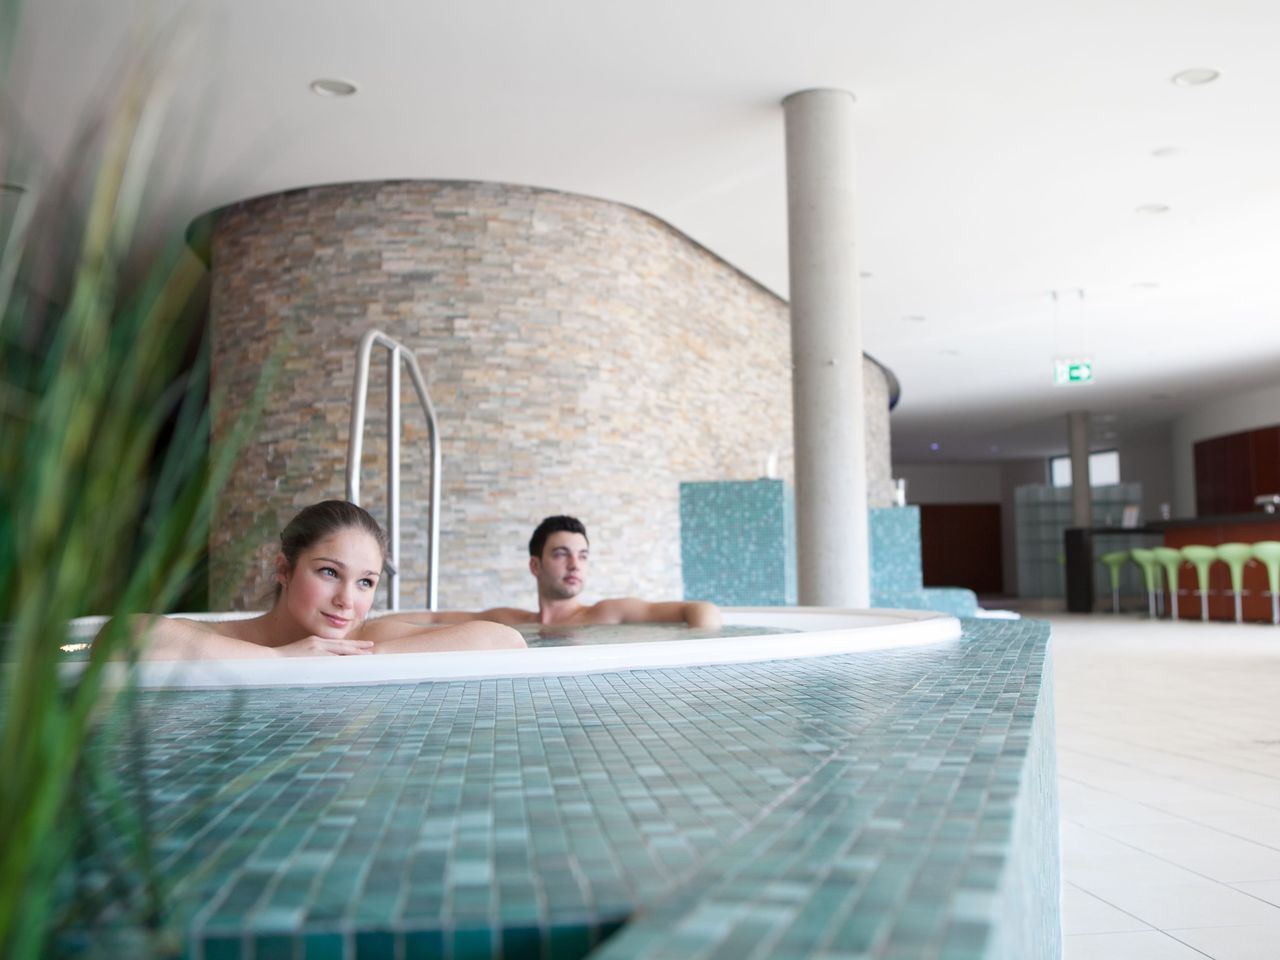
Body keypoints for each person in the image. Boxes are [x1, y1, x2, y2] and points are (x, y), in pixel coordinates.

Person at [125, 500, 525, 659]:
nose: (346, 600)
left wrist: (363, 660)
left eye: (366, 582)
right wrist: (280, 659)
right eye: (329, 572)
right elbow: (127, 635)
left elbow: (506, 641)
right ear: (284, 569)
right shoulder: (236, 638)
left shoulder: (367, 640)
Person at [393, 515, 722, 629]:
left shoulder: (607, 614)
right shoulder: (511, 621)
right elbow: (435, 619)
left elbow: (700, 609)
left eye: (582, 556)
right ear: (535, 565)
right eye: (562, 554)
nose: (575, 564)